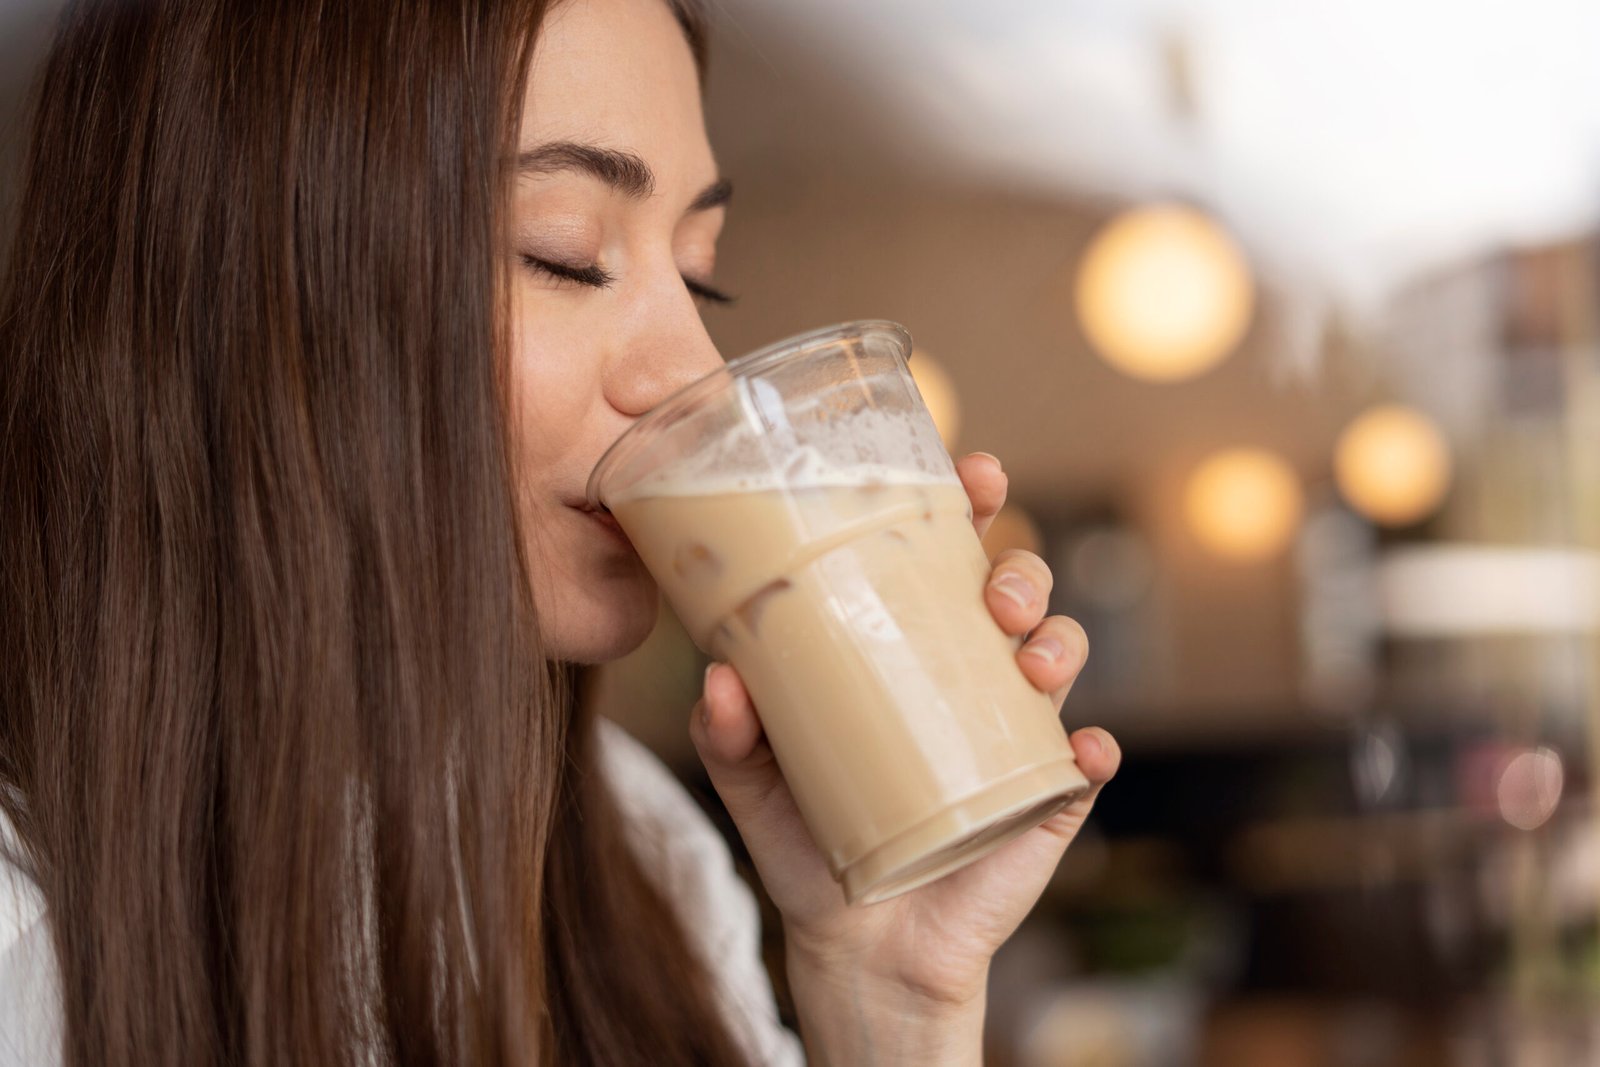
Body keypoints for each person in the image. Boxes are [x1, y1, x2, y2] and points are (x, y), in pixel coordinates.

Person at [0, 0, 1120, 1063]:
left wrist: (890, 997)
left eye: (699, 276)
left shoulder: (645, 854)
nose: (693, 375)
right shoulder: (27, 936)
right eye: (564, 251)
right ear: (246, 294)